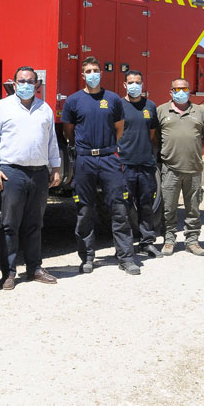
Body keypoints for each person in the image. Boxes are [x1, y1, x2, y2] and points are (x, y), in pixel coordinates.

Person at [0, 66, 62, 290]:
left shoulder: (44, 109)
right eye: (21, 81)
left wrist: (55, 167)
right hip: (12, 173)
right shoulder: (3, 107)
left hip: (38, 173)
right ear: (14, 83)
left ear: (37, 85)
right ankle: (8, 273)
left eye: (30, 81)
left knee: (35, 224)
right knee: (9, 225)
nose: (26, 85)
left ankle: (34, 268)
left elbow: (52, 141)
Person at [61, 57, 140, 275]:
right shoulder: (73, 101)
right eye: (88, 70)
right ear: (82, 75)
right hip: (85, 160)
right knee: (84, 210)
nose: (93, 73)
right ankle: (87, 258)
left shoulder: (113, 99)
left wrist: (107, 149)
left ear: (101, 73)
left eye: (96, 70)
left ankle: (126, 257)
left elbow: (119, 128)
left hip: (109, 159)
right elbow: (68, 131)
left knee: (119, 208)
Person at [156, 78, 204, 256]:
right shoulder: (161, 111)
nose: (181, 92)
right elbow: (155, 137)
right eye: (177, 89)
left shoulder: (199, 111)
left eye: (184, 88)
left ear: (189, 91)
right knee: (169, 207)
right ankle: (169, 240)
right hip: (170, 169)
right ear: (171, 92)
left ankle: (192, 240)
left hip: (193, 168)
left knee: (193, 207)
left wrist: (194, 149)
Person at [118, 70, 162, 258]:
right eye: (131, 82)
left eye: (138, 82)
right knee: (123, 207)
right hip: (124, 165)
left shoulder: (150, 106)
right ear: (125, 85)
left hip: (145, 165)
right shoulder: (117, 105)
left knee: (145, 205)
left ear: (143, 84)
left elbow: (153, 134)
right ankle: (125, 247)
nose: (134, 85)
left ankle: (147, 242)